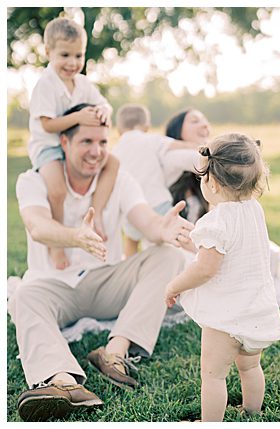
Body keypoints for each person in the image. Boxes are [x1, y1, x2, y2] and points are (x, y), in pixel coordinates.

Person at [11, 103, 196, 422]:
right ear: (65, 143)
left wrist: (162, 229)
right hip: (53, 287)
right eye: (87, 142)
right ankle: (62, 383)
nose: (96, 151)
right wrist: (74, 236)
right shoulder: (33, 180)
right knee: (22, 296)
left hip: (107, 281)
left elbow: (146, 219)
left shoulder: (120, 180)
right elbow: (38, 226)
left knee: (168, 255)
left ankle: (115, 352)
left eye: (102, 142)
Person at [165, 133, 280, 422]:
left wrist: (174, 285)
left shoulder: (216, 220)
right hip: (254, 310)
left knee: (213, 376)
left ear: (213, 183)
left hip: (226, 318)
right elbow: (232, 250)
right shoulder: (254, 211)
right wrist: (192, 244)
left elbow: (206, 268)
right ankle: (251, 411)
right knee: (250, 368)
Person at [28, 17, 118, 270]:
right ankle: (56, 245)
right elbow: (47, 125)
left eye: (78, 55)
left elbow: (104, 104)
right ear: (48, 52)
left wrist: (105, 112)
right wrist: (77, 117)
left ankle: (96, 213)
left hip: (75, 145)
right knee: (56, 190)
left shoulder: (83, 83)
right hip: (48, 146)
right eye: (64, 54)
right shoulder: (45, 85)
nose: (72, 63)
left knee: (113, 162)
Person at [111, 103, 197, 257]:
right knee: (180, 237)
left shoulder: (114, 150)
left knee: (131, 243)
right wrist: (202, 146)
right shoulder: (151, 139)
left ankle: (129, 273)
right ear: (146, 126)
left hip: (130, 210)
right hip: (157, 202)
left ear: (118, 129)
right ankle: (199, 257)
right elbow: (181, 146)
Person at [165, 108, 212, 223]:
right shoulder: (171, 156)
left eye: (205, 121)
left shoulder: (199, 175)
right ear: (178, 130)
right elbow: (208, 161)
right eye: (195, 121)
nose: (205, 125)